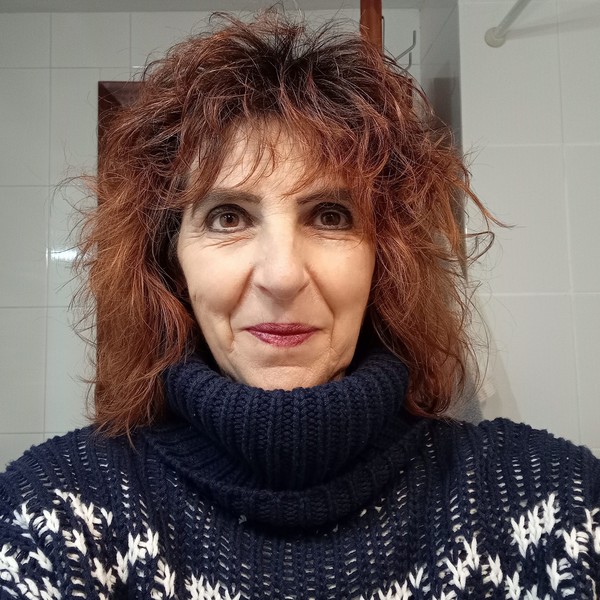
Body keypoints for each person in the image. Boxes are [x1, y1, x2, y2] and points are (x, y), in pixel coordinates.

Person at [1, 13, 599, 599]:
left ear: (385, 259)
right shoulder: (55, 514)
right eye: (228, 217)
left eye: (330, 216)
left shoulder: (552, 502)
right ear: (170, 263)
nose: (282, 276)